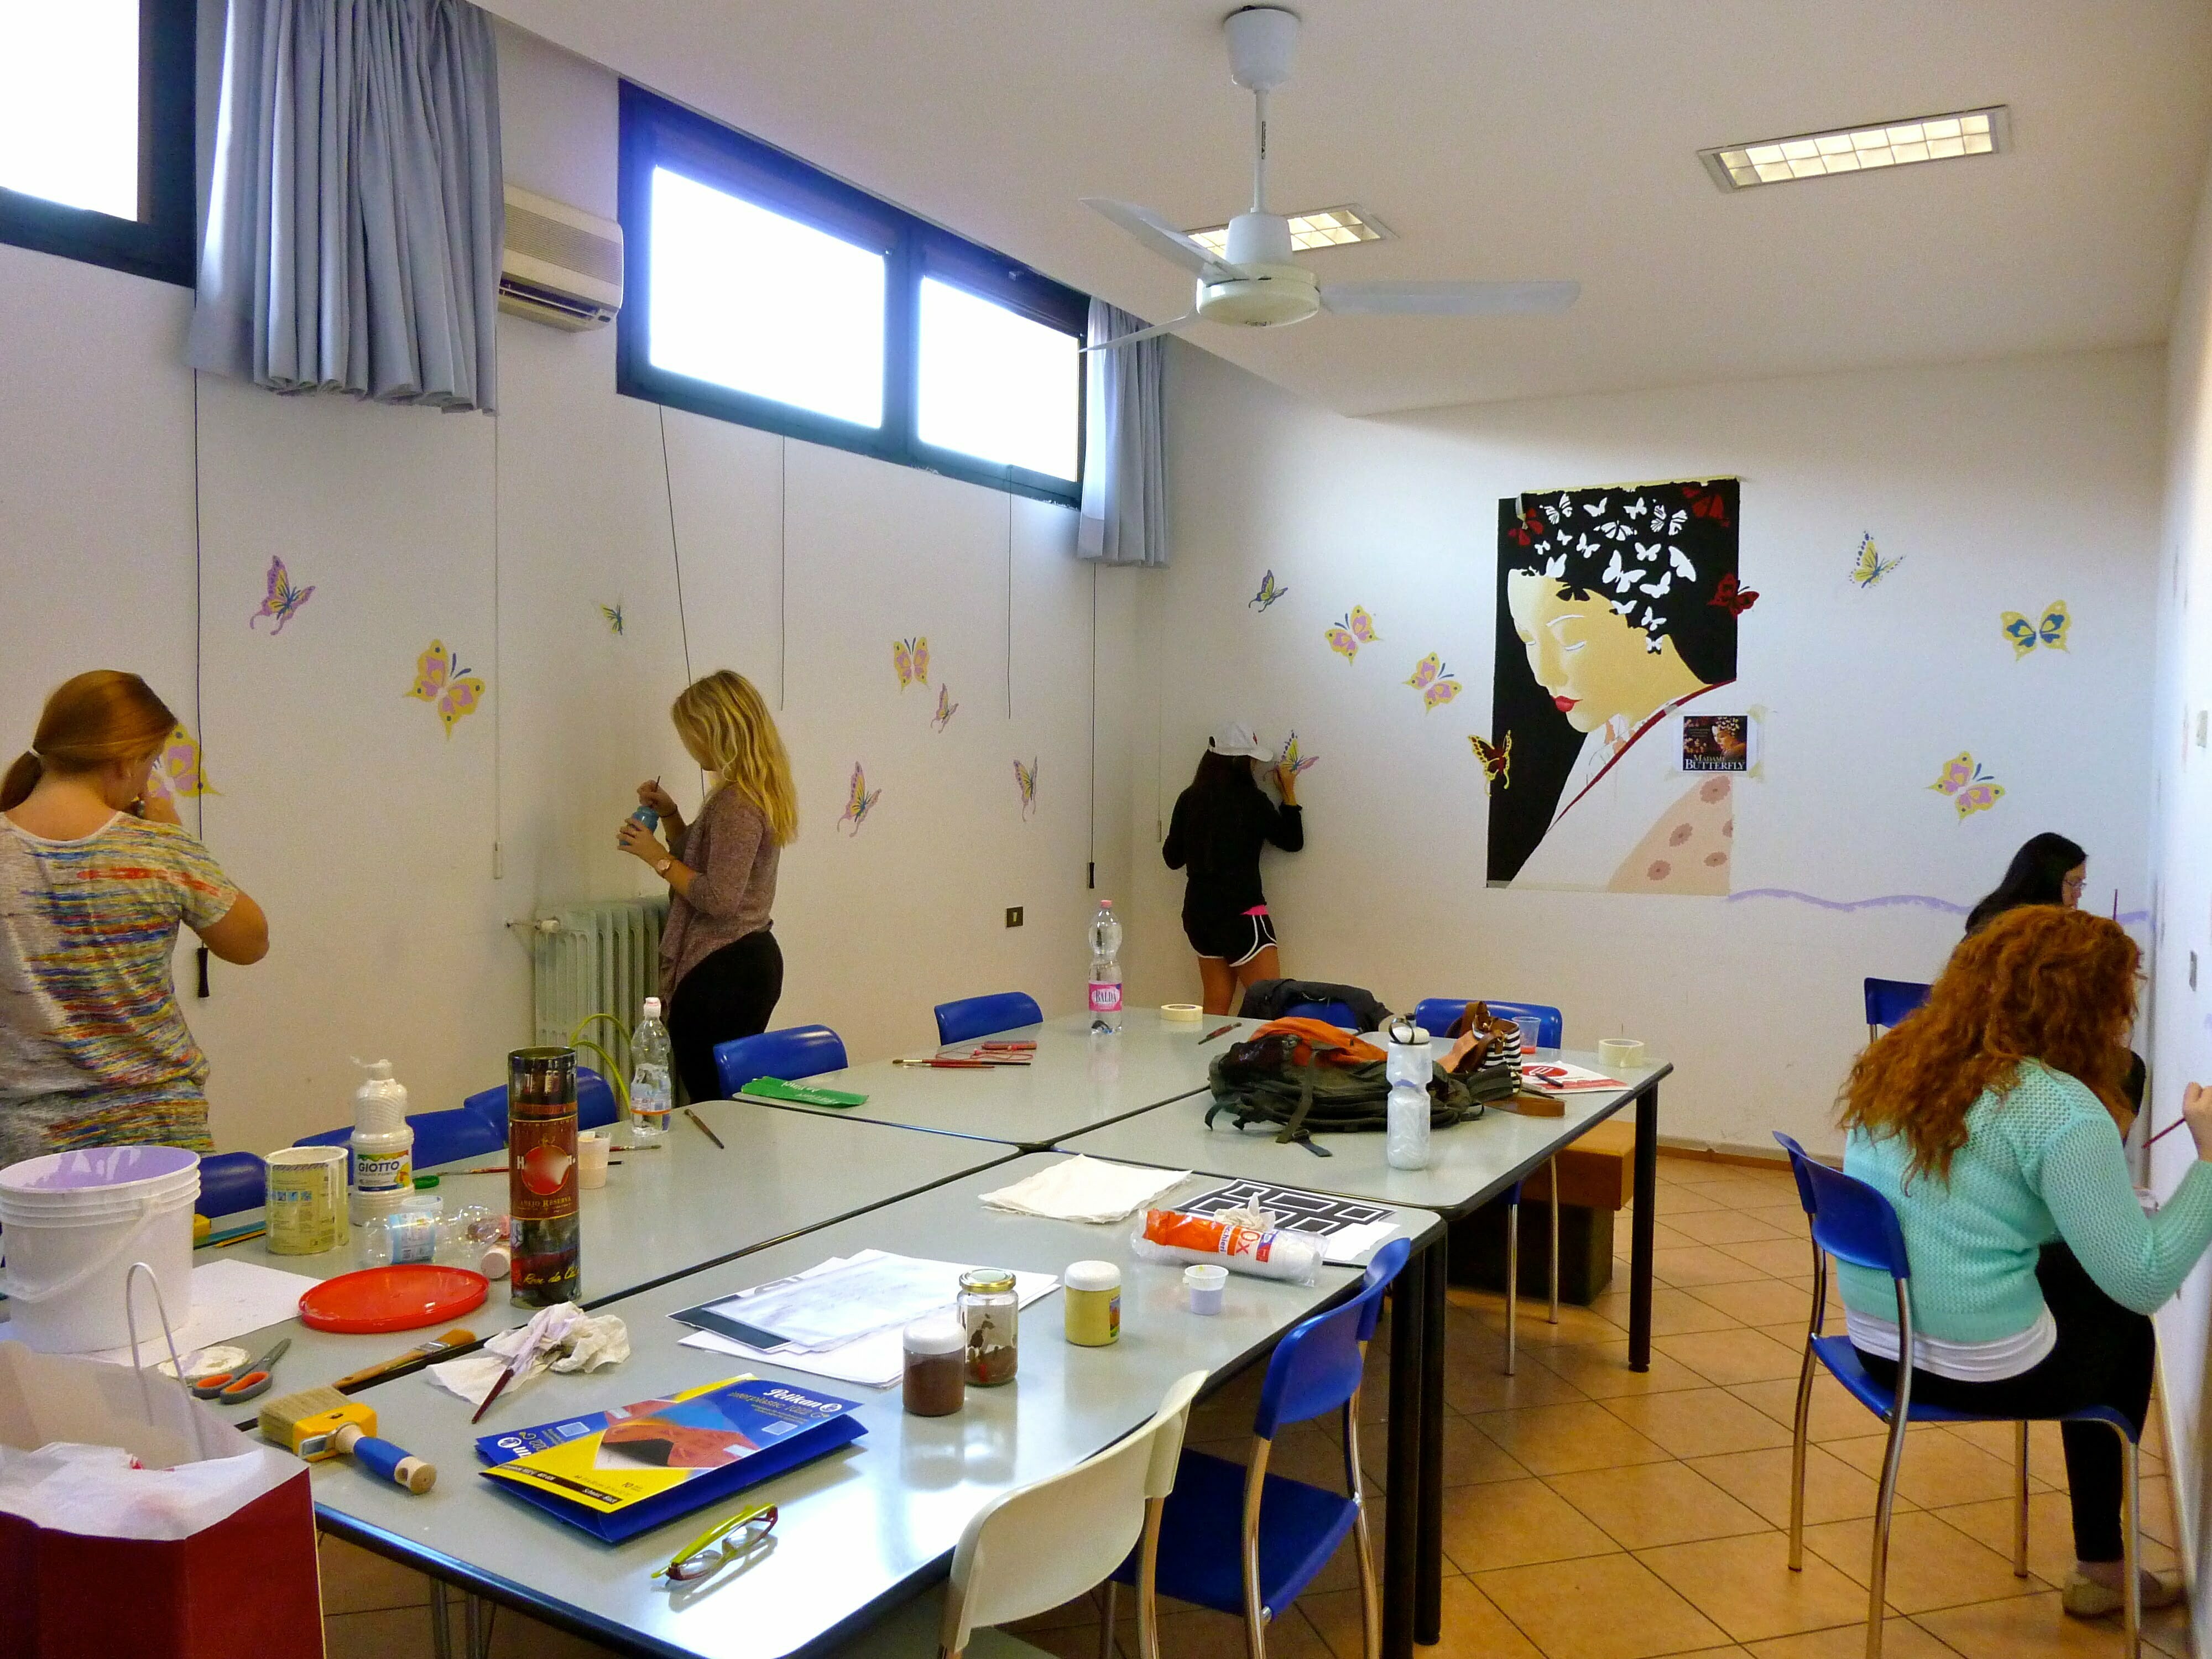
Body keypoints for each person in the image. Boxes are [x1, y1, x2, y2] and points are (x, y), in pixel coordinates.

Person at [1838, 905, 2210, 1619]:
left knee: (2081, 1282)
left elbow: (1981, 1203)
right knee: (2123, 1325)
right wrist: (2209, 1163)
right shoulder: (2058, 1107)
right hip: (1980, 1367)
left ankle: (2101, 1568)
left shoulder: (1903, 1060)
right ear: (2085, 1008)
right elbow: (2144, 1280)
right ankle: (2102, 1570)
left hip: (1881, 1349)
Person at [0, 672, 268, 1168]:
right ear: (126, 761)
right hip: (157, 1131)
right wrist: (180, 841)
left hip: (26, 1145)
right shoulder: (160, 848)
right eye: (152, 762)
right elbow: (250, 942)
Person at [1494, 483, 1744, 893]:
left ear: (1650, 618)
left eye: (1570, 638)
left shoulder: (1716, 732)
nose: (1543, 673)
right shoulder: (1613, 729)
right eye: (1528, 639)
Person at [618, 670, 796, 1103]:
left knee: (713, 1104)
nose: (689, 746)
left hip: (724, 969)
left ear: (717, 731)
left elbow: (718, 898)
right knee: (727, 1101)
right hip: (746, 962)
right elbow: (703, 861)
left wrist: (655, 857)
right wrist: (671, 815)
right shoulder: (749, 794)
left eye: (691, 734)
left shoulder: (737, 803)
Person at [1161, 724, 1302, 1016]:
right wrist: (1288, 793)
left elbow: (1172, 859)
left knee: (1215, 1007)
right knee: (1272, 1006)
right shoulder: (1252, 801)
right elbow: (1292, 842)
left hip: (1199, 915)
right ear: (1240, 762)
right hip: (1243, 914)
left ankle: (1207, 1050)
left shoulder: (1189, 799)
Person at [1964, 831, 2089, 935]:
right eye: (2074, 883)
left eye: (2080, 885)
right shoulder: (2004, 933)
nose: (2078, 894)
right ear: (2046, 883)